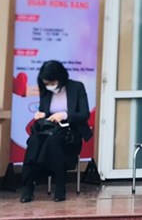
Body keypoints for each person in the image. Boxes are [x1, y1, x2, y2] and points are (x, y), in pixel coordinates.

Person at [21, 60, 91, 203]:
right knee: (34, 141)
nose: (49, 86)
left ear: (60, 78)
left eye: (52, 82)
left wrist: (64, 115)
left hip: (70, 133)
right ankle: (28, 185)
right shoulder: (46, 91)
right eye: (46, 83)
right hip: (50, 130)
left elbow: (84, 114)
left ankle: (60, 184)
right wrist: (42, 114)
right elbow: (45, 113)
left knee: (54, 142)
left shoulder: (77, 87)